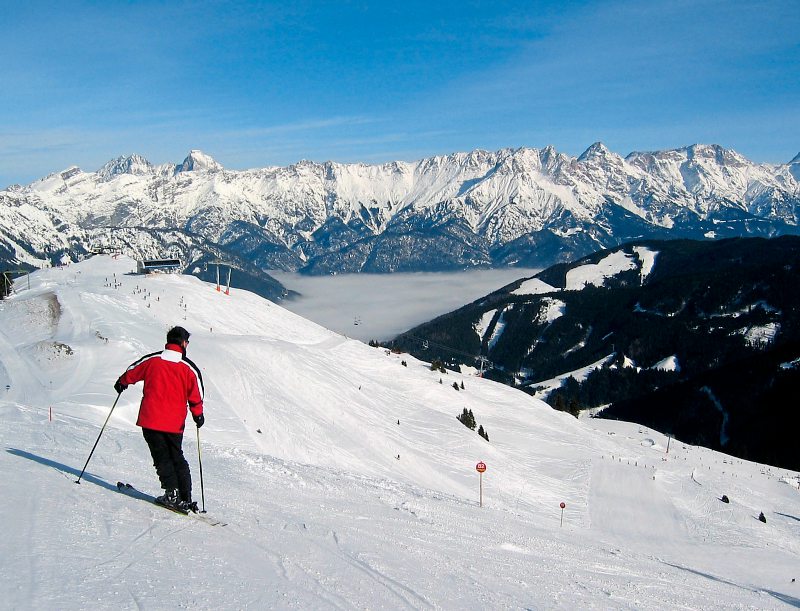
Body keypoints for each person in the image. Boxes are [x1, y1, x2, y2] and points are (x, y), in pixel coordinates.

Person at [115, 326, 205, 512]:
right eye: (187, 342)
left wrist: (122, 382)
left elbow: (133, 371)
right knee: (176, 456)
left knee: (162, 457)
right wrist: (198, 415)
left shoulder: (153, 360)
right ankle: (184, 497)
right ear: (182, 343)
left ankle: (171, 494)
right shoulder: (188, 368)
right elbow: (196, 394)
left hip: (151, 419)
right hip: (174, 423)